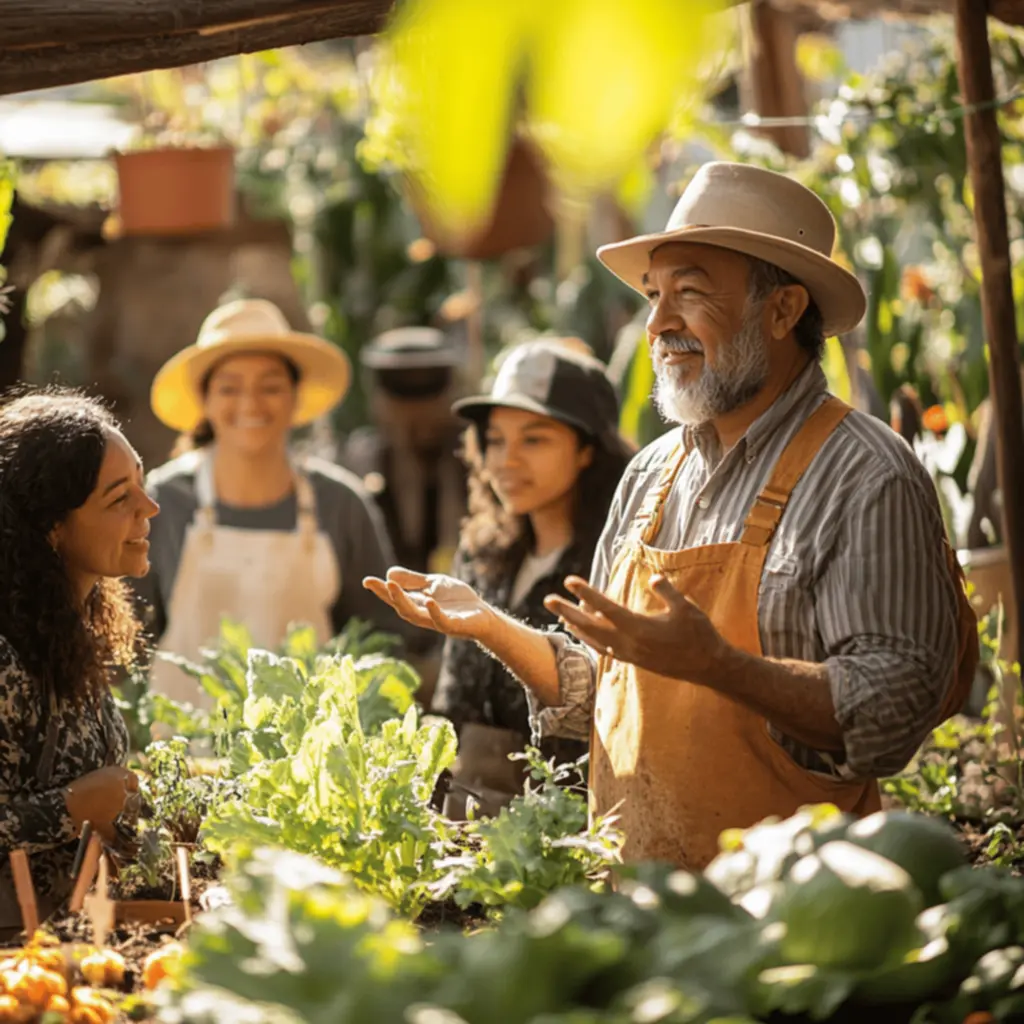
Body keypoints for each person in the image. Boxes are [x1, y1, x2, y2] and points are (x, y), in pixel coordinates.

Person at [366, 162, 978, 869]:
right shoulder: (652, 474)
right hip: (642, 904)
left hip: (790, 905)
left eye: (689, 292)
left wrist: (720, 667)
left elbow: (890, 714)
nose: (657, 324)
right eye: (654, 295)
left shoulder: (865, 474)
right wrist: (488, 624)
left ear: (783, 311)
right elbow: (607, 690)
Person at [133, 298, 412, 709]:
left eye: (271, 386)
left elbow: (381, 641)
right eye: (229, 388)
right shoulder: (164, 500)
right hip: (182, 739)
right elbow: (128, 639)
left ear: (296, 397)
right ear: (204, 401)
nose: (250, 403)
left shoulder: (340, 503)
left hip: (309, 743)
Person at [431, 340, 633, 817]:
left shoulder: (614, 567)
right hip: (462, 821)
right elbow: (451, 707)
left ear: (587, 450)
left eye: (534, 439)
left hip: (569, 825)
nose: (507, 460)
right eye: (495, 439)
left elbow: (615, 723)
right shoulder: (481, 553)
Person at [0, 391, 157, 938]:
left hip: (69, 944)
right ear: (52, 528)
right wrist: (72, 808)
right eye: (119, 498)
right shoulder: (5, 657)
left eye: (141, 481)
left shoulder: (70, 627)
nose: (149, 507)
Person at [341, 326, 467, 577]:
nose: (417, 409)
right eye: (401, 387)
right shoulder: (362, 462)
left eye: (429, 386)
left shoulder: (475, 461)